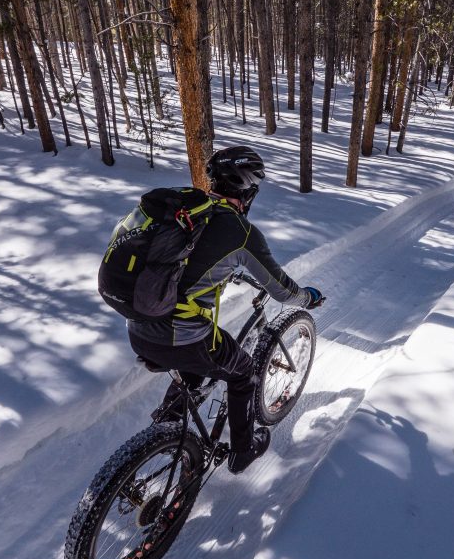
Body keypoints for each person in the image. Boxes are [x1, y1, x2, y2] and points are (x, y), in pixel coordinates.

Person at [127, 145, 324, 475]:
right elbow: (281, 289)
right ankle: (242, 452)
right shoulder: (241, 233)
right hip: (182, 336)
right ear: (247, 191)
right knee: (244, 371)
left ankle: (165, 428)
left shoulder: (189, 213)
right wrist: (308, 298)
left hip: (139, 324)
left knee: (194, 365)